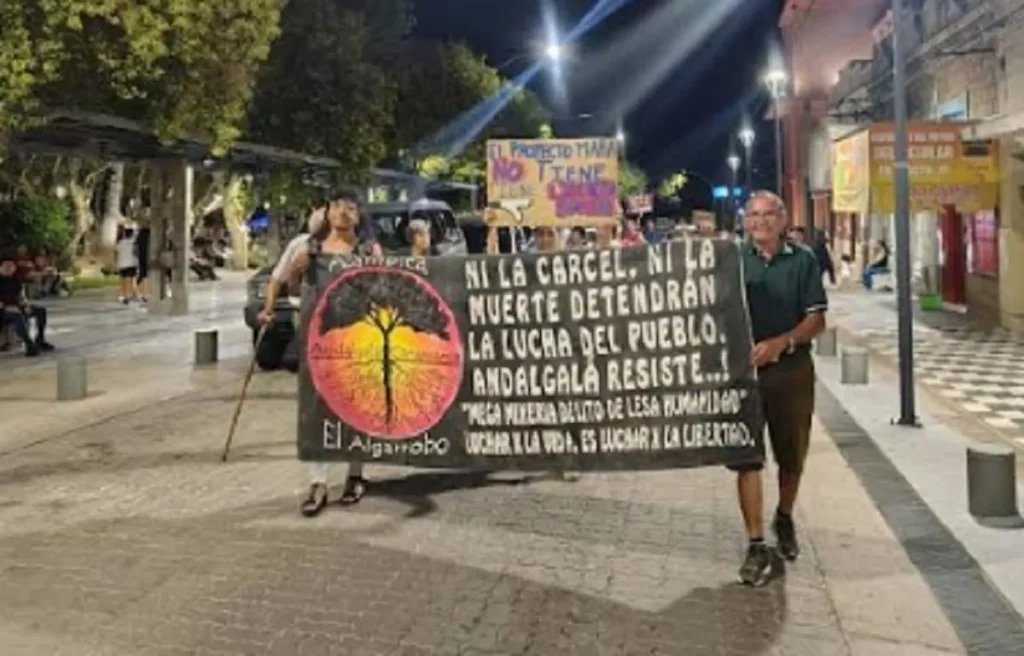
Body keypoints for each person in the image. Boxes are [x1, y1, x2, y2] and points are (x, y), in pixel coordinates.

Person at [259, 187, 378, 517]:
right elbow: (291, 286)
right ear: (327, 211)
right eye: (337, 206)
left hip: (358, 340)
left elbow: (382, 289)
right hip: (316, 341)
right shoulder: (306, 246)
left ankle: (356, 475)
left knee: (357, 410)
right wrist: (297, 272)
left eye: (351, 208)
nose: (343, 212)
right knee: (315, 411)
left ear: (358, 215)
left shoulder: (369, 248)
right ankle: (318, 482)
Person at [731, 190, 827, 587]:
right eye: (754, 215)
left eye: (769, 215)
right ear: (745, 221)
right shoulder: (732, 261)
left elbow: (817, 319)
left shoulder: (802, 260)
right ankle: (755, 543)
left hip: (791, 371)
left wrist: (782, 342)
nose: (761, 222)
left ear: (783, 219)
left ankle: (784, 516)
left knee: (791, 454)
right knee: (747, 458)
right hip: (745, 374)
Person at [0, 253, 55, 357]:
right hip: (3, 310)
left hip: (15, 307)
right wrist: (8, 307)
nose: (9, 268)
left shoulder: (15, 280)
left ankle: (40, 339)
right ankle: (29, 344)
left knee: (40, 311)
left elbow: (21, 296)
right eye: (6, 266)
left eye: (12, 266)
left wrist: (25, 305)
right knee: (16, 316)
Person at [115, 227, 139, 304]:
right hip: (131, 263)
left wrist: (117, 262)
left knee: (123, 280)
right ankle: (129, 295)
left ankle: (123, 295)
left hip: (122, 264)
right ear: (132, 234)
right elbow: (136, 253)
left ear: (125, 234)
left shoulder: (120, 243)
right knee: (132, 280)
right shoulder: (134, 243)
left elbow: (116, 253)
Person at [135, 226, 151, 302]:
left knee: (143, 275)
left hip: (142, 258)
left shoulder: (139, 238)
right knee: (146, 276)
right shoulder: (150, 239)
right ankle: (146, 294)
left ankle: (141, 293)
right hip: (149, 258)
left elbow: (135, 250)